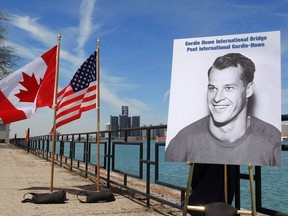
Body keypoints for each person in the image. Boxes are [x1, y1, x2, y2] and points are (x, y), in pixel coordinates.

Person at [165, 53, 281, 166]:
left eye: (228, 88)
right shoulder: (183, 140)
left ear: (249, 90)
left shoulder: (272, 141)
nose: (217, 98)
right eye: (212, 88)